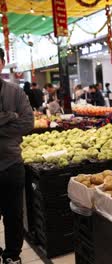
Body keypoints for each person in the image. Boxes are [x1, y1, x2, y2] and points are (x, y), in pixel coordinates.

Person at [0, 47, 34, 264]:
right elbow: (17, 122)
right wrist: (8, 116)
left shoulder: (16, 92)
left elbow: (27, 123)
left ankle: (13, 256)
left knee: (14, 215)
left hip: (11, 164)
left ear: (1, 63)